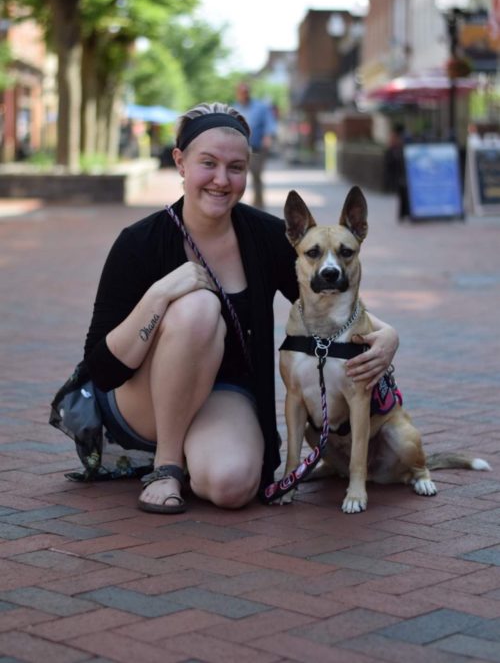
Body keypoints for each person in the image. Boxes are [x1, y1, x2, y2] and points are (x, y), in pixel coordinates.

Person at [82, 101, 399, 514]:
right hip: (141, 395)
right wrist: (158, 296)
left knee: (232, 487)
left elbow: (325, 297)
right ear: (180, 162)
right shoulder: (138, 243)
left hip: (222, 396)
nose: (221, 180)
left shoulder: (266, 237)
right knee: (197, 308)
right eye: (207, 163)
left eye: (235, 167)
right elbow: (103, 370)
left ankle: (200, 449)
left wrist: (386, 334)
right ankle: (166, 465)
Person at [233, 82, 276, 208]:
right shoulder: (235, 108)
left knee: (256, 174)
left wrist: (268, 137)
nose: (244, 95)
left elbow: (269, 123)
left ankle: (259, 204)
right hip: (239, 148)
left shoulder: (261, 107)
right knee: (237, 174)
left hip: (257, 147)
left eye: (246, 92)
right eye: (241, 92)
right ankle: (236, 203)